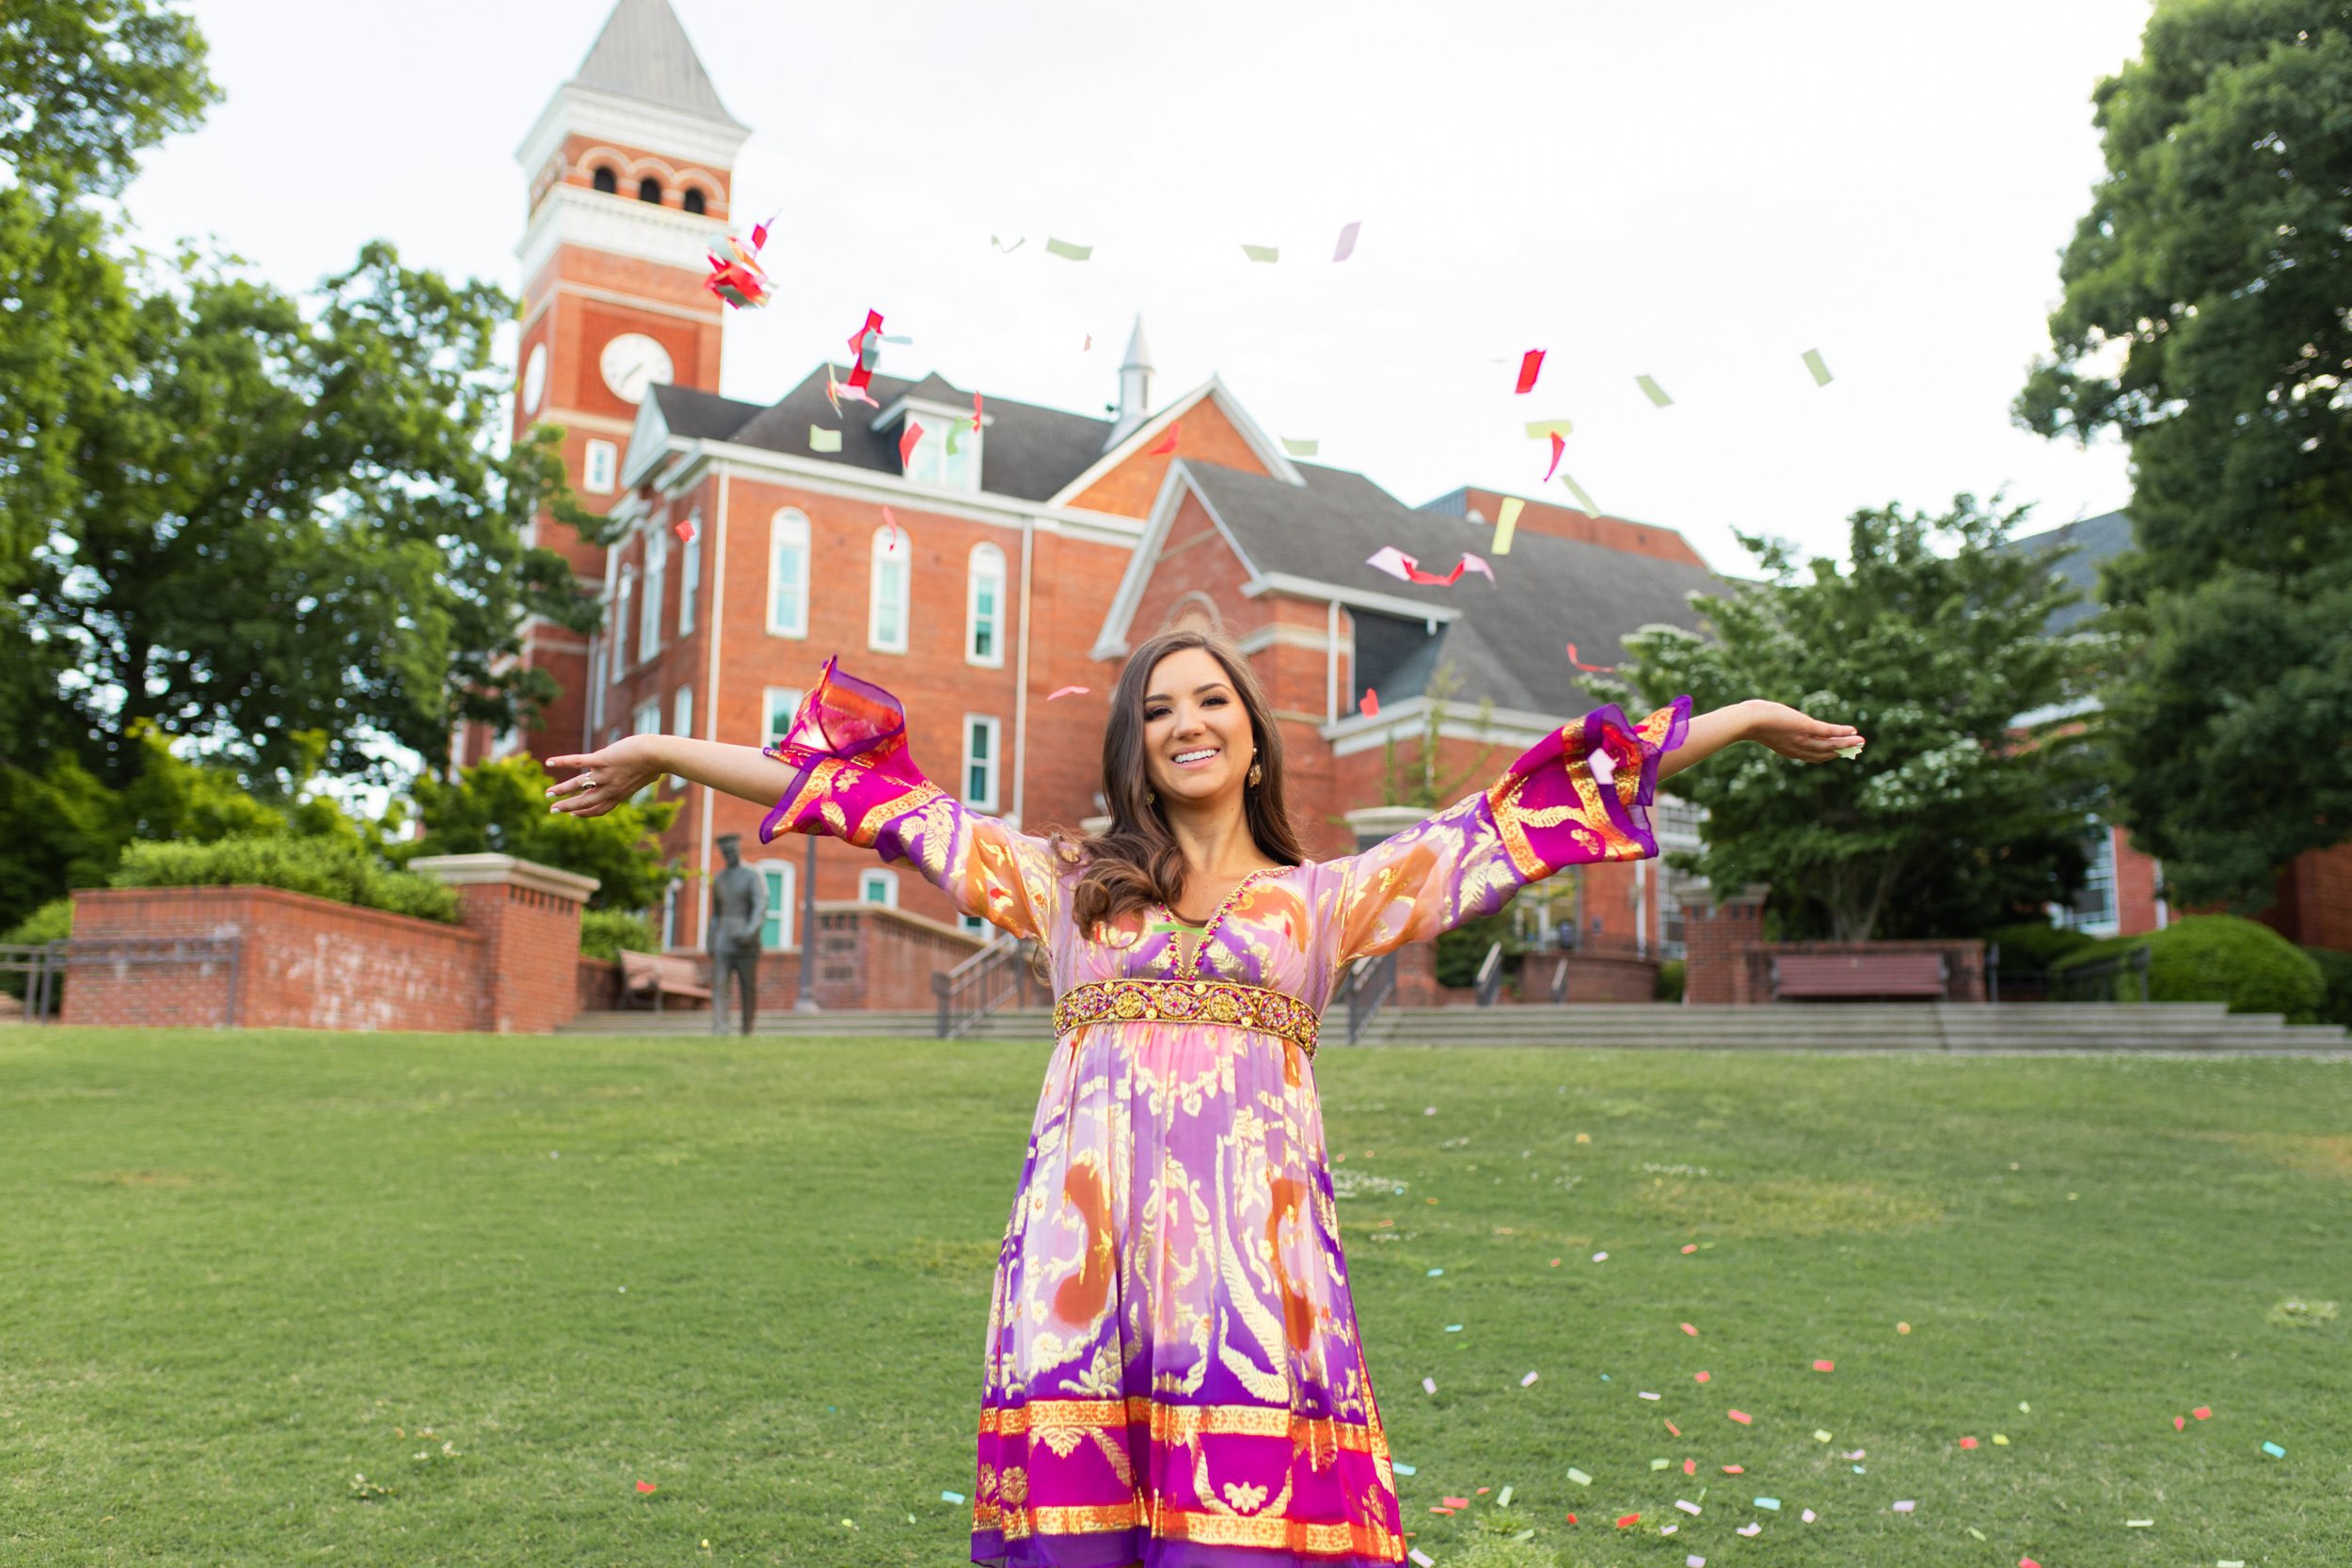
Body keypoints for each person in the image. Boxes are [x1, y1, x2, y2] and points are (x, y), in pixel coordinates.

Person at [546, 627, 1862, 1568]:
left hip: (1251, 1280)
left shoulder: (1331, 895)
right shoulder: (1062, 879)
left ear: (1251, 736)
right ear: (1134, 740)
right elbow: (869, 801)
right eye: (1161, 705)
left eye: (1213, 702)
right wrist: (664, 746)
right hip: (1084, 1268)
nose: (1188, 720)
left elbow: (1524, 815)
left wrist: (1732, 720)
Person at [706, 832, 766, 1035]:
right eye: (725, 852)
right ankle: (720, 1028)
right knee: (720, 984)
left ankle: (747, 1028)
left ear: (738, 850)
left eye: (732, 851)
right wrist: (711, 940)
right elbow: (716, 913)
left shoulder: (753, 874)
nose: (729, 855)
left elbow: (760, 906)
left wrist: (750, 931)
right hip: (724, 936)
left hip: (746, 939)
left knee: (747, 986)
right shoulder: (720, 878)